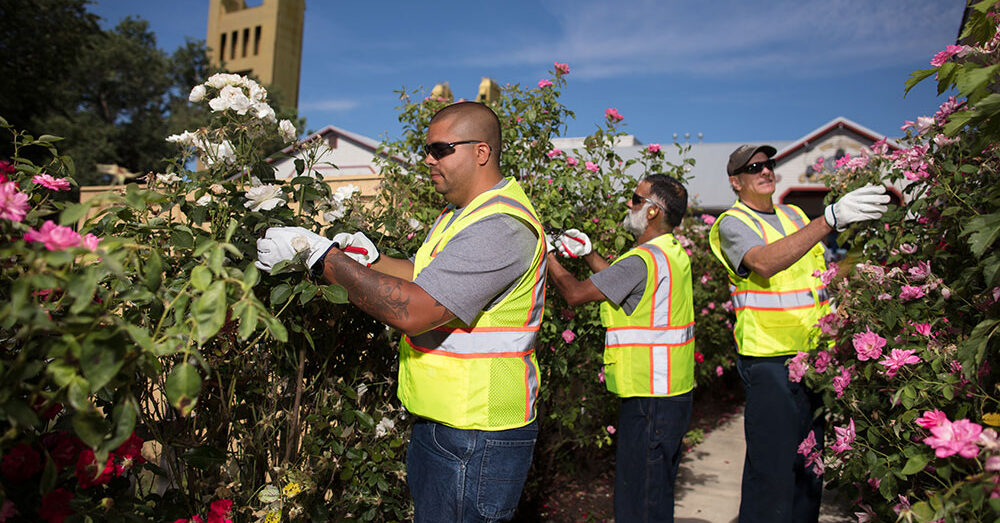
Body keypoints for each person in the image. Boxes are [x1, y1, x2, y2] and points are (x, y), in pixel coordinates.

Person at [255, 102, 547, 522]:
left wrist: (322, 259)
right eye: (426, 148)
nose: (427, 158)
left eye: (440, 148)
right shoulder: (461, 216)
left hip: (478, 431)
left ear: (481, 152)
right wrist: (366, 260)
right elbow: (425, 278)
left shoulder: (500, 226)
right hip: (447, 424)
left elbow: (415, 310)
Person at [708, 144, 889, 523]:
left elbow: (819, 277)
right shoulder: (732, 223)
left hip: (814, 360)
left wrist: (873, 274)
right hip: (770, 361)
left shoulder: (792, 215)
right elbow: (764, 262)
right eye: (754, 166)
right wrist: (829, 219)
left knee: (809, 469)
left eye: (769, 164)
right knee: (772, 472)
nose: (765, 170)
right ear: (735, 182)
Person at [546, 174, 694, 522]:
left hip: (649, 399)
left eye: (636, 199)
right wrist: (589, 254)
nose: (629, 205)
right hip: (671, 394)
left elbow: (576, 294)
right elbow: (621, 284)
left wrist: (547, 255)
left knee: (639, 503)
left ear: (654, 212)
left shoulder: (642, 260)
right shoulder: (670, 253)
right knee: (655, 495)